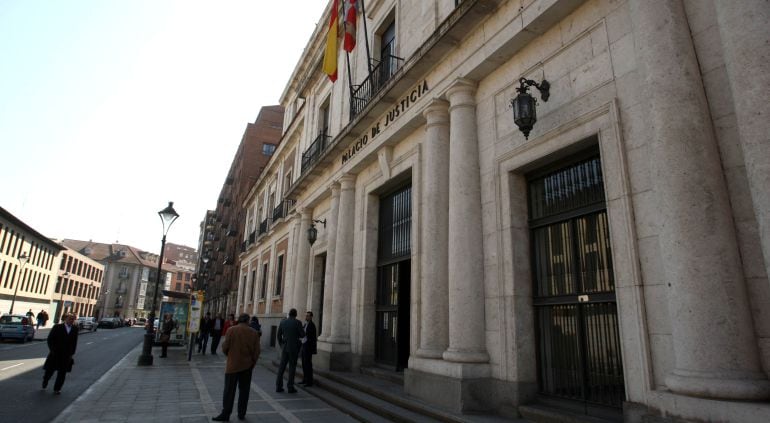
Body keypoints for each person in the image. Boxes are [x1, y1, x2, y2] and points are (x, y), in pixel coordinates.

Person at [212, 314, 261, 422]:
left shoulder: (231, 330)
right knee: (244, 391)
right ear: (248, 321)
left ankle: (226, 413)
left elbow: (225, 347)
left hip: (232, 365)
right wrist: (252, 363)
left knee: (229, 390)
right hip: (247, 366)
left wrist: (230, 356)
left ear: (239, 320)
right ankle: (241, 413)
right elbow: (257, 351)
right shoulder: (254, 332)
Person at [42, 312, 79, 394]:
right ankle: (45, 381)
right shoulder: (57, 327)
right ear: (65, 319)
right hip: (55, 353)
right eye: (70, 319)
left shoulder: (75, 329)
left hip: (66, 355)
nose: (71, 321)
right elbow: (50, 339)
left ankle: (57, 389)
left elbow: (74, 342)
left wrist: (72, 352)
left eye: (73, 319)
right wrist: (52, 350)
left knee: (62, 373)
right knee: (50, 371)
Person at [275, 308, 305, 393]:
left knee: (282, 367)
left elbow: (278, 335)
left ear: (289, 314)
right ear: (295, 315)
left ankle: (278, 386)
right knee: (292, 367)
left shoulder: (283, 322)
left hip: (285, 347)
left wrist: (281, 345)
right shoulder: (298, 322)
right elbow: (302, 335)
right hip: (294, 348)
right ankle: (290, 386)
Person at [299, 311, 317, 387]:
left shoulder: (312, 325)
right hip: (304, 346)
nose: (306, 317)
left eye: (308, 316)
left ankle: (309, 381)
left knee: (308, 365)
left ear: (311, 317)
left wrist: (305, 340)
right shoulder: (305, 324)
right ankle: (304, 379)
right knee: (303, 364)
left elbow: (311, 338)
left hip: (308, 348)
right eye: (306, 315)